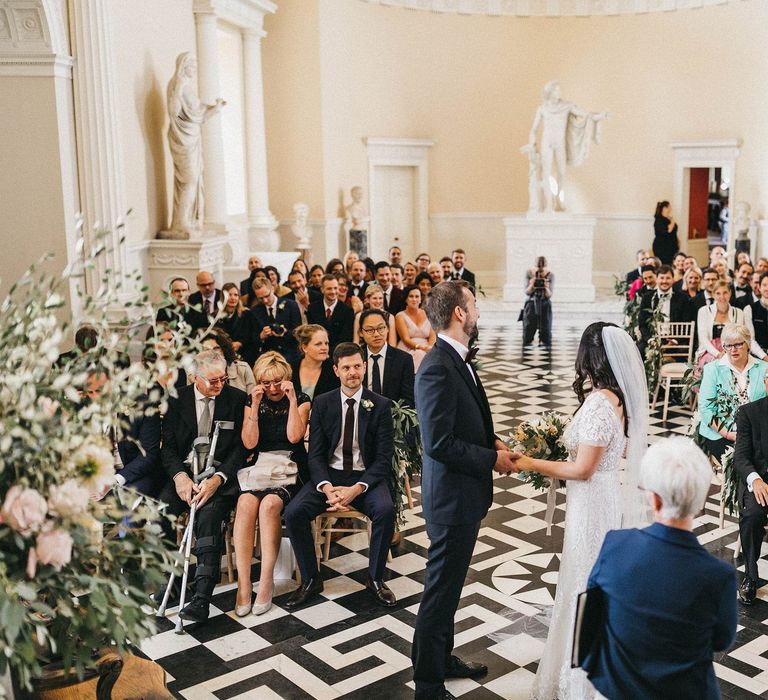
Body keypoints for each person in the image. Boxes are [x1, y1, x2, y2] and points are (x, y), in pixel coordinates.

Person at [511, 322, 649, 700]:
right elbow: (611, 452)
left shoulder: (597, 403)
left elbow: (582, 469)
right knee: (590, 584)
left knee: (582, 586)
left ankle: (583, 686)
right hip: (603, 498)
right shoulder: (618, 400)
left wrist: (528, 463)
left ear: (591, 356)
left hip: (590, 504)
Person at [412, 281, 517, 700]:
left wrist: (492, 442)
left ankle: (443, 659)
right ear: (459, 312)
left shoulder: (456, 358)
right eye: (472, 303)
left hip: (463, 495)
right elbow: (438, 442)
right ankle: (427, 683)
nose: (477, 310)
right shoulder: (436, 365)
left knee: (451, 585)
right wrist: (492, 460)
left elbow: (461, 422)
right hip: (450, 500)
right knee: (440, 591)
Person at [583, 437, 737, 699]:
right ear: (700, 502)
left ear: (654, 500)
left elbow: (594, 607)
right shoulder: (718, 576)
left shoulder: (615, 545)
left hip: (619, 689)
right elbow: (721, 641)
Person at [283, 343, 397, 610]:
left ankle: (376, 578)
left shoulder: (380, 405)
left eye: (357, 366)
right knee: (294, 513)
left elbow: (383, 459)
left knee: (385, 510)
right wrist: (326, 488)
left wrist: (357, 489)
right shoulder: (323, 403)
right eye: (346, 367)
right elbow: (316, 454)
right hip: (329, 478)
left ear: (365, 367)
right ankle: (311, 578)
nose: (352, 372)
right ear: (336, 370)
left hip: (365, 479)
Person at [157, 349, 248, 622]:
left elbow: (240, 450)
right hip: (185, 475)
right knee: (158, 515)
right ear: (194, 377)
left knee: (208, 520)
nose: (219, 385)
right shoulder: (176, 400)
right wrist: (180, 478)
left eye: (222, 379)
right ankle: (172, 583)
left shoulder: (236, 399)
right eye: (212, 381)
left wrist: (217, 479)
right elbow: (168, 449)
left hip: (219, 478)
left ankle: (202, 597)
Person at [233, 352, 310, 617]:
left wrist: (290, 400)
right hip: (260, 468)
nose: (273, 388)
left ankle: (266, 582)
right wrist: (254, 406)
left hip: (290, 469)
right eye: (266, 383)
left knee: (269, 506)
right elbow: (249, 443)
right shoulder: (252, 400)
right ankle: (244, 584)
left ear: (287, 379)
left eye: (278, 381)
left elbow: (294, 437)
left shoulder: (300, 400)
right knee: (244, 504)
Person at [165, 53, 225, 239]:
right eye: (192, 64)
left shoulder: (188, 87)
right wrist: (178, 89)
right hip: (182, 138)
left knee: (195, 178)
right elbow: (174, 112)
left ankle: (188, 220)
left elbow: (197, 115)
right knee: (188, 178)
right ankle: (180, 222)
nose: (195, 68)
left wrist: (215, 109)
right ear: (183, 65)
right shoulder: (178, 84)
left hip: (193, 136)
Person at [527, 80, 607, 213]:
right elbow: (533, 129)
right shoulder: (542, 108)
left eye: (559, 90)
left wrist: (599, 116)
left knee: (561, 173)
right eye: (556, 90)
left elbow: (584, 114)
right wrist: (531, 144)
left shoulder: (567, 106)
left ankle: (558, 201)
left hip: (560, 142)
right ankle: (548, 205)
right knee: (546, 173)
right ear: (550, 92)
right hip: (546, 142)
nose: (559, 92)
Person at [698, 323, 768, 461]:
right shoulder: (713, 370)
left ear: (748, 344)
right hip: (721, 433)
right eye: (728, 345)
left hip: (757, 433)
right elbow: (706, 409)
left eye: (738, 345)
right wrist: (728, 434)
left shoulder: (764, 368)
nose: (733, 350)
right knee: (741, 462)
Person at [735, 393, 768, 604]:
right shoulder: (749, 412)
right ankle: (750, 574)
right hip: (760, 478)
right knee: (753, 514)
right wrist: (755, 479)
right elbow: (741, 457)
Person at [358, 309, 415, 405]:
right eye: (370, 330)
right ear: (361, 332)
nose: (376, 334)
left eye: (381, 328)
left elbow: (408, 399)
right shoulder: (356, 358)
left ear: (388, 328)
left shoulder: (404, 359)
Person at [637, 264, 692, 355]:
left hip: (675, 339)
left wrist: (675, 341)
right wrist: (650, 340)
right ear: (657, 279)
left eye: (668, 278)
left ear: (673, 279)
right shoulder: (647, 298)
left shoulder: (683, 298)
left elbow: (688, 321)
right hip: (653, 339)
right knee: (640, 350)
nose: (664, 281)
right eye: (661, 278)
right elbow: (642, 323)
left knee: (684, 351)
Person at [695, 280, 750, 366]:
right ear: (713, 294)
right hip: (709, 351)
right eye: (718, 293)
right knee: (713, 364)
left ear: (730, 293)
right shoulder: (703, 311)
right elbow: (703, 339)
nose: (722, 297)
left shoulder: (738, 312)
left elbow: (740, 337)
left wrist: (728, 352)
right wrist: (718, 354)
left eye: (725, 293)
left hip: (732, 350)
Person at [249, 277, 302, 364]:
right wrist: (261, 336)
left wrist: (285, 332)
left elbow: (299, 333)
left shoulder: (291, 305)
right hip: (268, 358)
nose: (265, 301)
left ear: (272, 289)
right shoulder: (255, 311)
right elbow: (251, 339)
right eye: (260, 298)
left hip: (290, 356)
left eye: (267, 296)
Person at [306, 274, 355, 353]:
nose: (333, 292)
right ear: (322, 289)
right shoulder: (312, 308)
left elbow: (345, 338)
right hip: (317, 352)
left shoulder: (347, 311)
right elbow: (311, 335)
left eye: (335, 288)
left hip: (338, 353)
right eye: (329, 289)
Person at [290, 324, 340, 401]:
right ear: (304, 347)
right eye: (318, 344)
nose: (324, 348)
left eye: (326, 343)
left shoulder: (335, 370)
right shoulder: (290, 368)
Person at [199, 328, 256, 394]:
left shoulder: (242, 369)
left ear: (224, 349)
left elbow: (252, 400)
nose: (212, 353)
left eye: (216, 348)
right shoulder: (193, 374)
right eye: (206, 350)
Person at [395, 285, 435, 371]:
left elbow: (432, 337)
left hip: (426, 348)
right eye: (411, 296)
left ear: (421, 299)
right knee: (419, 354)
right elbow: (405, 339)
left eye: (417, 296)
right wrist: (419, 347)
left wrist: (429, 347)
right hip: (407, 348)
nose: (414, 299)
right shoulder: (400, 316)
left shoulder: (429, 314)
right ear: (406, 299)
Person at [216, 283, 256, 365]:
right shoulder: (216, 316)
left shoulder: (247, 314)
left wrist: (240, 343)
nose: (233, 298)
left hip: (245, 353)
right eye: (229, 295)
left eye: (236, 295)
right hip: (223, 355)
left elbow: (252, 335)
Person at [523, 256, 554, 347]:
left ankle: (543, 341)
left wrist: (546, 287)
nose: (540, 271)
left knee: (546, 331)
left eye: (542, 267)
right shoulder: (528, 273)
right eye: (538, 267)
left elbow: (549, 295)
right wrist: (532, 284)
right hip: (531, 303)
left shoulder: (550, 275)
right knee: (528, 330)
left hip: (545, 303)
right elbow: (527, 292)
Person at [652, 200, 679, 265]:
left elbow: (673, 232)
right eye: (669, 207)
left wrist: (678, 241)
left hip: (671, 247)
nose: (670, 209)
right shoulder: (659, 220)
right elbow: (668, 231)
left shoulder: (667, 219)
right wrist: (672, 221)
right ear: (664, 208)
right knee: (665, 265)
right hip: (662, 248)